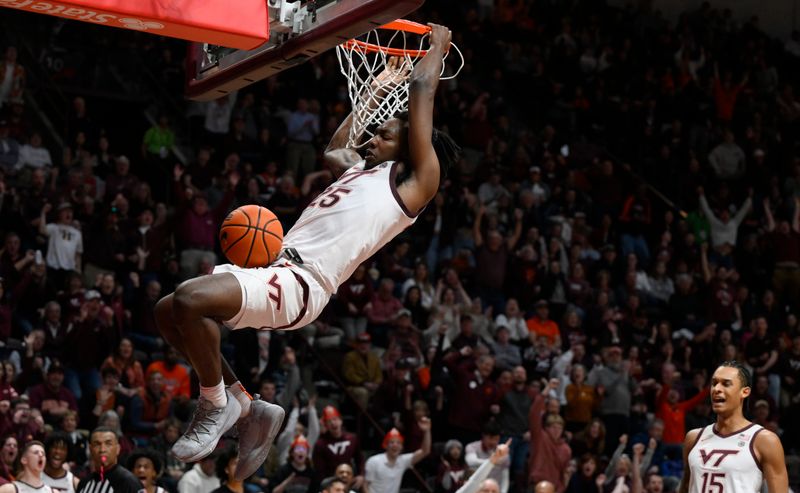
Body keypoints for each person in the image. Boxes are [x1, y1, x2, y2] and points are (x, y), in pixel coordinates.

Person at [154, 23, 459, 482]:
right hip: (277, 268)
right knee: (167, 311)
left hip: (303, 283)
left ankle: (216, 405)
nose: (375, 137)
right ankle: (242, 403)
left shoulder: (415, 184)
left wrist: (436, 45)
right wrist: (376, 89)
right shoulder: (359, 171)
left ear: (411, 149)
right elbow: (336, 146)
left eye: (388, 136)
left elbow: (421, 88)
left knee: (190, 299)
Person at [679, 361, 788, 493]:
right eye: (714, 383)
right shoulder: (693, 438)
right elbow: (685, 487)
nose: (716, 389)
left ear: (745, 392)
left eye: (726, 384)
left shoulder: (764, 440)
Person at [364, 419, 431, 493]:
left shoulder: (403, 460)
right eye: (391, 442)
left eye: (398, 443)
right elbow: (365, 485)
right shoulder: (374, 461)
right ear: (385, 445)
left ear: (402, 447)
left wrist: (427, 431)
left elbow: (425, 451)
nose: (395, 445)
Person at [76, 427, 142, 493]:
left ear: (118, 449)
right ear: (90, 449)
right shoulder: (83, 483)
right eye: (97, 444)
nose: (102, 450)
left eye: (108, 444)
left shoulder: (129, 482)